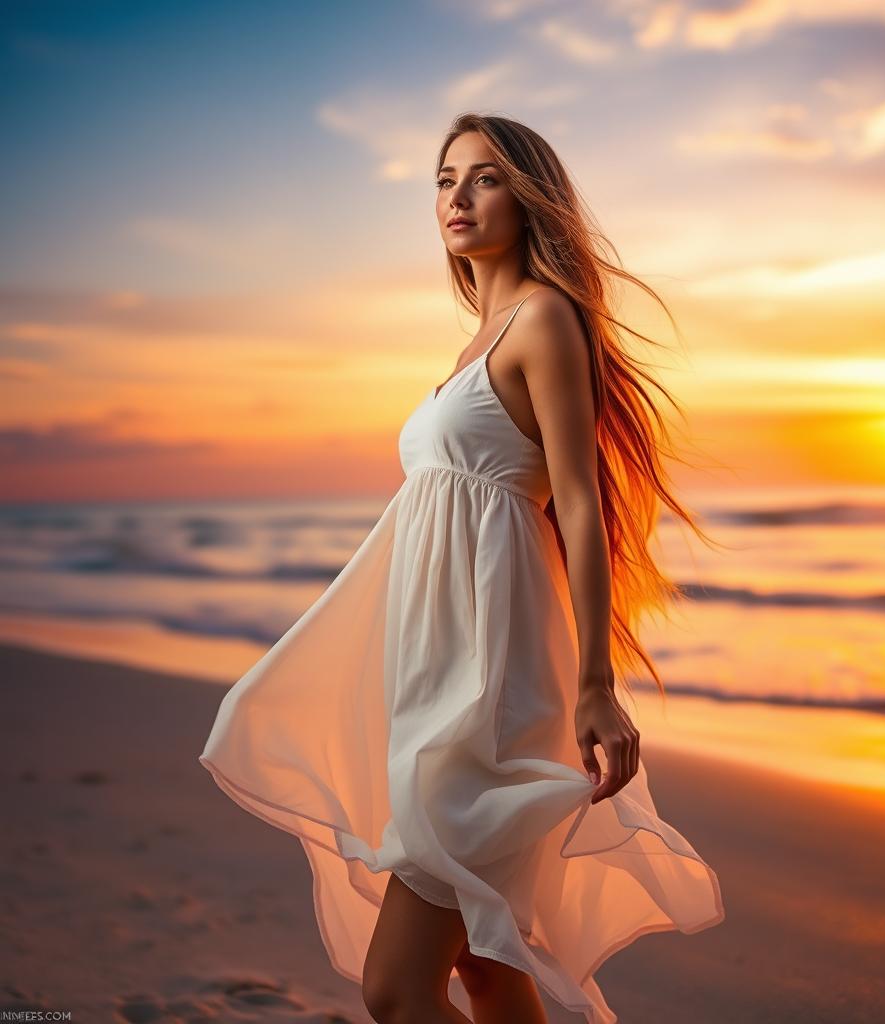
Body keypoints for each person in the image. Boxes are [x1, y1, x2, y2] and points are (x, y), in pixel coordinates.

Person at [199, 112, 725, 1024]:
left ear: (528, 197)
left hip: (493, 693)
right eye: (445, 180)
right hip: (438, 682)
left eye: (483, 178)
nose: (458, 197)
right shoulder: (472, 346)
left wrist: (597, 686)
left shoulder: (544, 319)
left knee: (399, 989)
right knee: (486, 967)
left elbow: (583, 505)